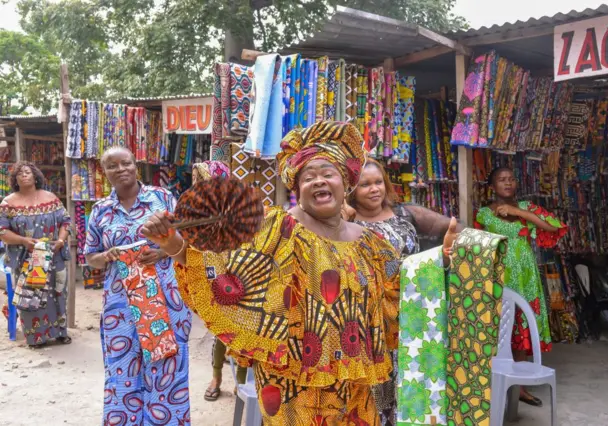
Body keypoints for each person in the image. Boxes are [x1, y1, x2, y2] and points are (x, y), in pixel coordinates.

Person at [142, 121, 457, 425]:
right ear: (297, 189)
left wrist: (440, 261)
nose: (318, 181)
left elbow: (400, 291)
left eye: (327, 174)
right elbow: (216, 265)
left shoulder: (371, 245)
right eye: (308, 177)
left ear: (346, 183)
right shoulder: (277, 229)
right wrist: (171, 242)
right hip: (291, 383)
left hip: (355, 384)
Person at [345, 158, 463, 425]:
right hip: (369, 321)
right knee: (376, 391)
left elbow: (454, 227)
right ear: (351, 189)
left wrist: (448, 251)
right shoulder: (345, 224)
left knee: (410, 382)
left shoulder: (405, 214)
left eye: (378, 182)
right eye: (365, 185)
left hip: (412, 315)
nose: (374, 189)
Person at [84, 147, 191, 424]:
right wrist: (106, 256)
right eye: (112, 166)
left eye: (126, 163)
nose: (120, 169)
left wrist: (162, 252)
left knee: (167, 368)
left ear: (136, 165)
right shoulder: (100, 211)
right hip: (120, 307)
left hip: (165, 301)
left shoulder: (163, 198)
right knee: (123, 370)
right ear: (104, 171)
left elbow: (187, 242)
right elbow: (90, 257)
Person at [475, 166, 567, 408]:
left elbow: (554, 227)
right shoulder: (484, 214)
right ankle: (492, 386)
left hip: (525, 277)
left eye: (511, 179)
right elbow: (476, 242)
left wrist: (517, 211)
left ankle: (521, 389)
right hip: (499, 276)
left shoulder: (526, 208)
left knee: (521, 327)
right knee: (499, 329)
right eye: (502, 180)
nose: (508, 183)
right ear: (492, 187)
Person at [192, 160, 248, 402]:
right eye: (195, 181)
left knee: (242, 330)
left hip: (239, 275)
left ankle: (243, 381)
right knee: (219, 330)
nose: (198, 186)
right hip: (212, 276)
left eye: (203, 181)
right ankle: (216, 377)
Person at [0, 161, 71, 348]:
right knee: (31, 295)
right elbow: (2, 232)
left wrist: (61, 241)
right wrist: (23, 240)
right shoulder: (8, 203)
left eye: (27, 172)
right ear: (15, 179)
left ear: (35, 176)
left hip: (53, 256)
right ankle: (36, 337)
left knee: (58, 293)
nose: (24, 175)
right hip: (27, 260)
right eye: (19, 174)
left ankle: (61, 332)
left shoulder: (51, 198)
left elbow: (66, 222)